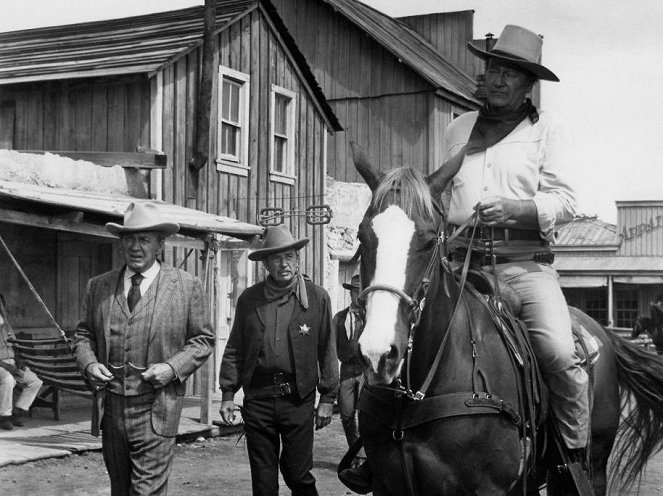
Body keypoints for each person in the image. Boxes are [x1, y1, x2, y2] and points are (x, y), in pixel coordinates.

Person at [441, 25, 588, 465]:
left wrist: (515, 209)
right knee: (405, 334)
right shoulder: (458, 128)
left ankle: (572, 456)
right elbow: (446, 194)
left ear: (529, 85)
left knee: (559, 353)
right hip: (461, 265)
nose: (498, 80)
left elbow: (566, 202)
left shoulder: (549, 130)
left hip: (524, 266)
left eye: (511, 73)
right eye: (493, 70)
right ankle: (382, 443)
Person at [73, 202, 215, 496]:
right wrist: (89, 364)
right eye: (129, 239)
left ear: (160, 244)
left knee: (146, 491)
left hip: (157, 407)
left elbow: (202, 340)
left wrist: (172, 368)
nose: (135, 247)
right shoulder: (98, 286)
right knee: (120, 489)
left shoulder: (186, 286)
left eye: (144, 239)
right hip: (111, 409)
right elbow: (83, 334)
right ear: (122, 242)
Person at [219, 225, 338, 496]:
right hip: (258, 399)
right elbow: (235, 346)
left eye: (289, 257)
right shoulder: (250, 299)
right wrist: (228, 393)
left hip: (298, 398)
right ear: (266, 264)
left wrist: (328, 399)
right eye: (276, 258)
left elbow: (327, 349)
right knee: (263, 481)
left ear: (297, 259)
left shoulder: (317, 298)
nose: (283, 264)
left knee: (298, 473)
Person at [333, 273, 366, 460]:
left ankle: (362, 457)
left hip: (365, 373)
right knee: (346, 415)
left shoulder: (373, 318)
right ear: (350, 293)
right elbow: (331, 346)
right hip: (346, 372)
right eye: (355, 292)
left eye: (361, 292)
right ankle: (355, 451)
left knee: (363, 416)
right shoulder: (339, 318)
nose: (358, 296)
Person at [0, 294, 43, 430]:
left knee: (35, 380)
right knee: (8, 380)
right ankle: (4, 417)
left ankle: (17, 412)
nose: (0, 307)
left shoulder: (6, 325)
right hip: (1, 364)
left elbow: (15, 345)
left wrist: (19, 360)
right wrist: (6, 365)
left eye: (1, 304)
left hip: (11, 362)